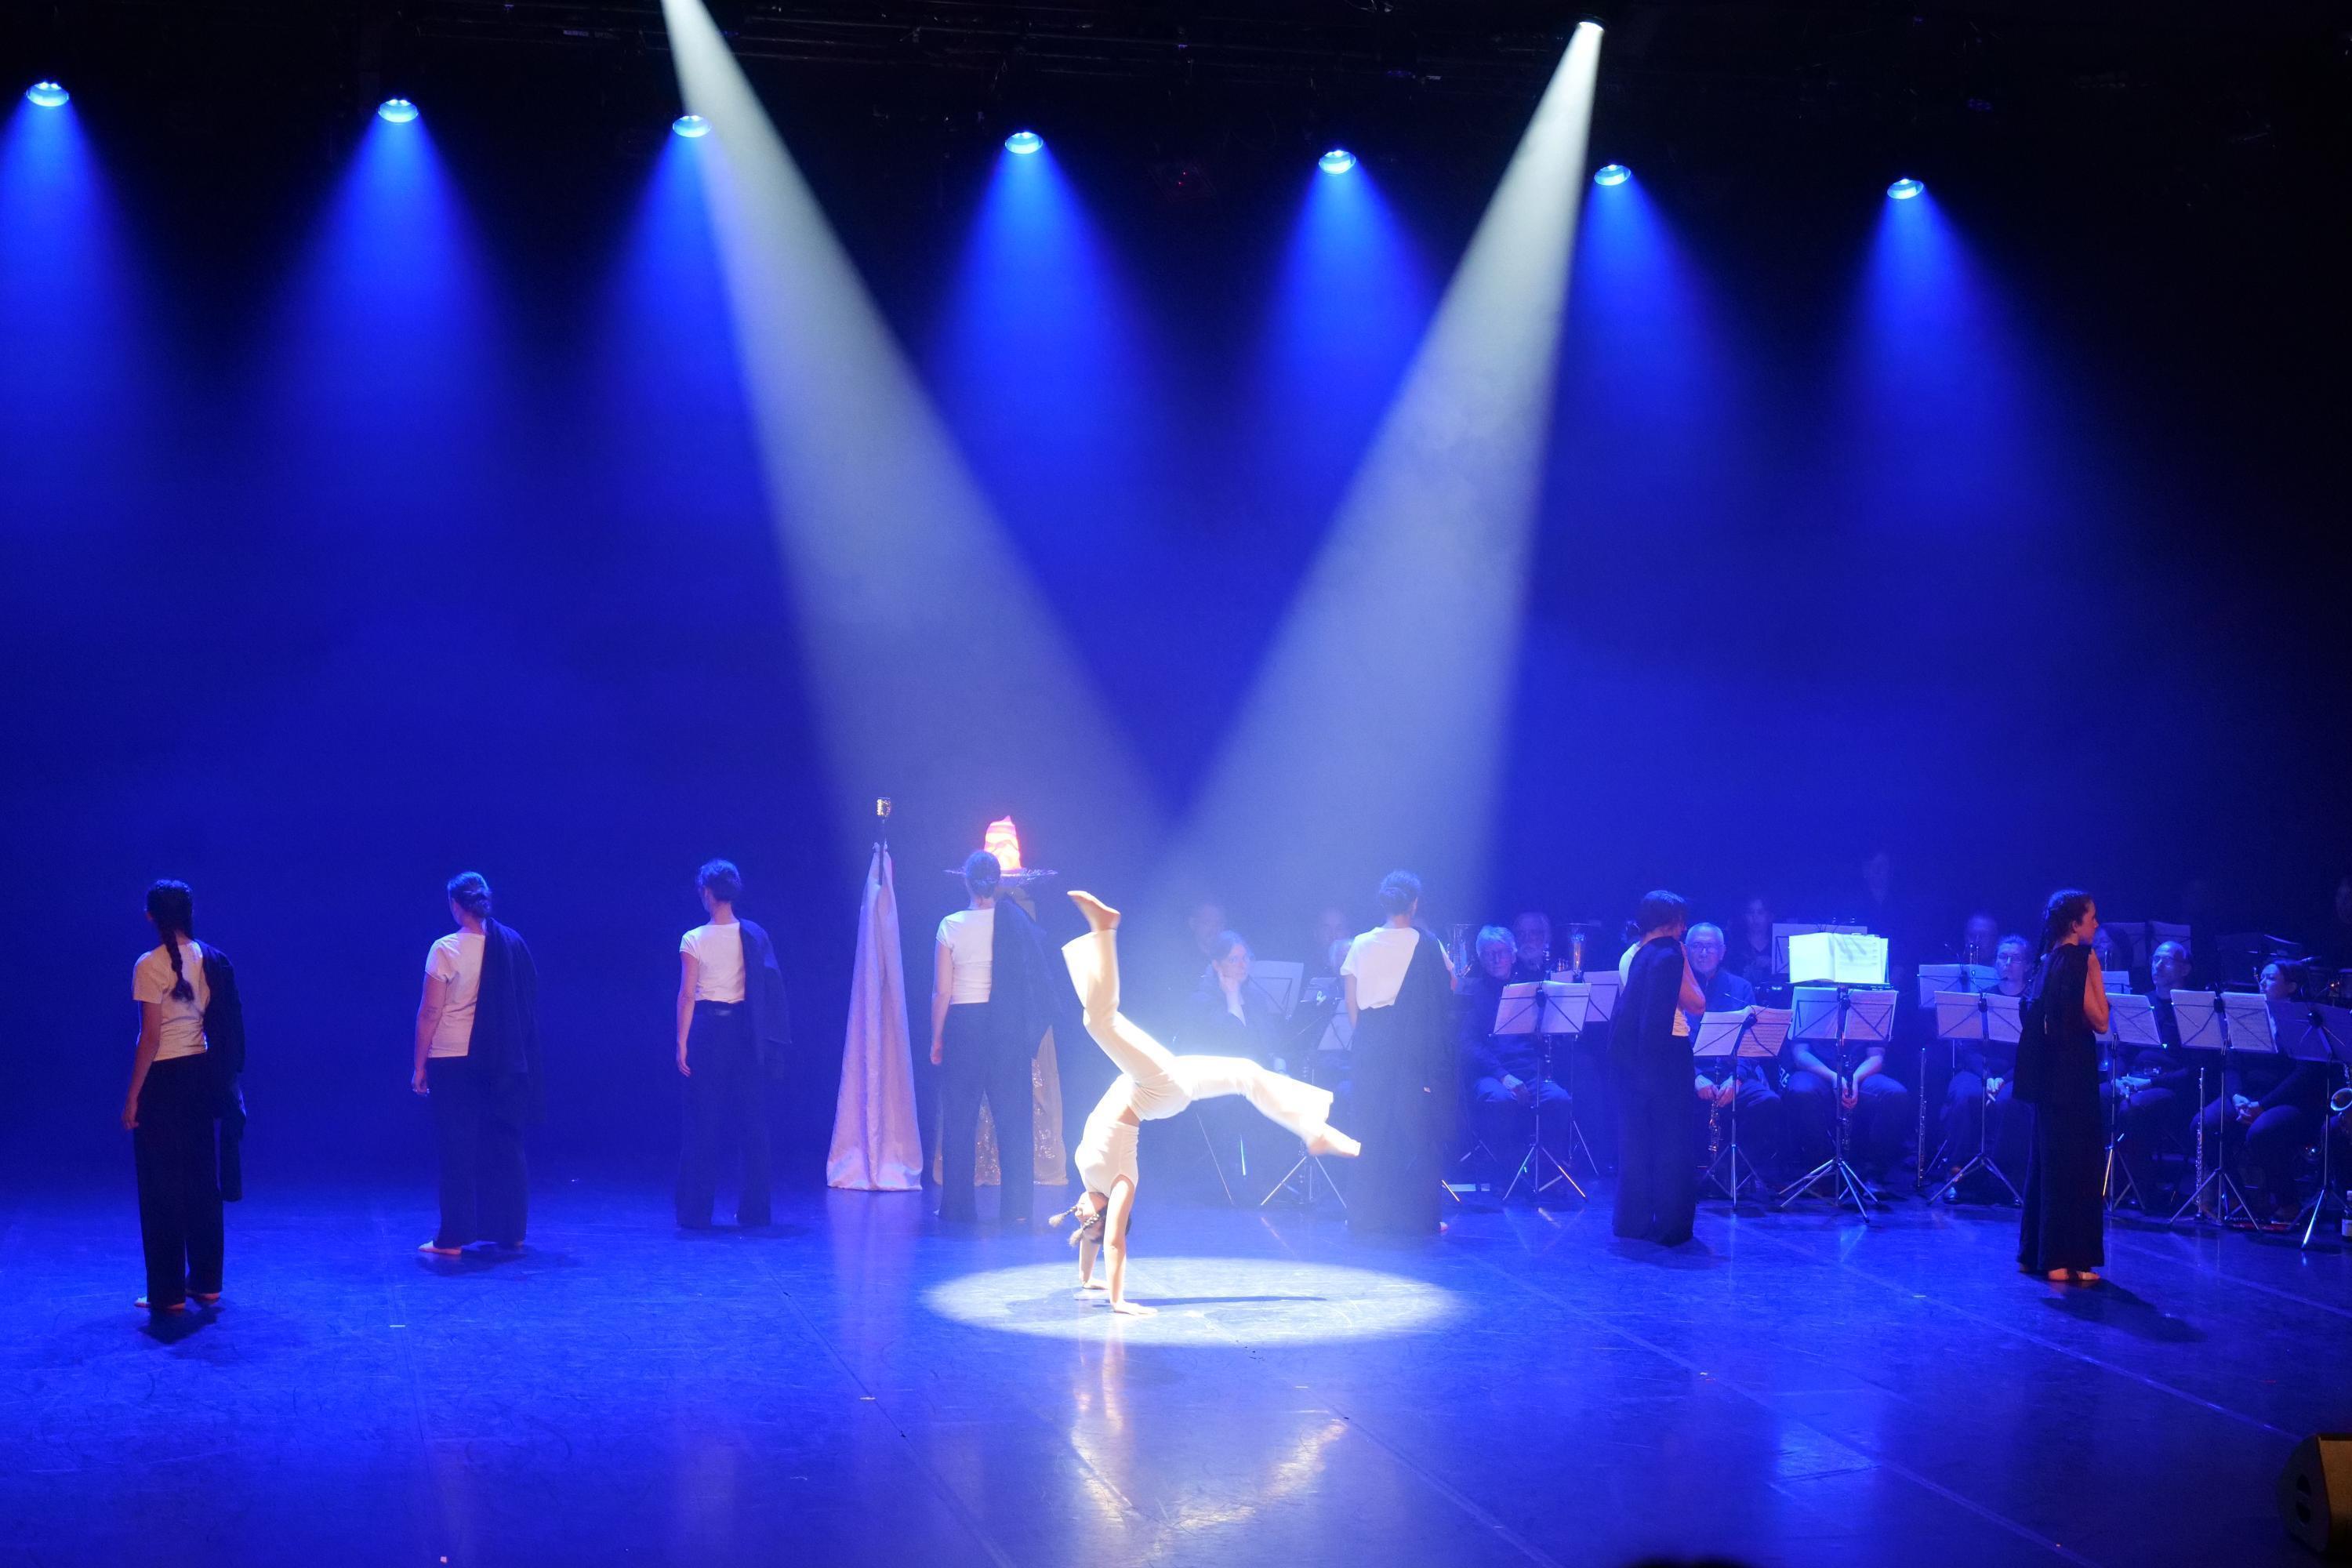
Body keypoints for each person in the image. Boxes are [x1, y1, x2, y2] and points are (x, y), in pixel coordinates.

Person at [1052, 891, 1358, 1314]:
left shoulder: (1089, 1177)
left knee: (1246, 1073)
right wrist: (1119, 1300)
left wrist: (1088, 1279)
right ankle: (1104, 929)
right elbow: (1113, 1240)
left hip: (1157, 1083)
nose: (1081, 1214)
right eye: (1089, 1219)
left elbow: (1093, 1241)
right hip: (1158, 1090)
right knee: (1099, 1021)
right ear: (1103, 1213)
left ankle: (1315, 1131)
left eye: (1081, 1220)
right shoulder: (1120, 1183)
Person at [125, 880, 242, 1315]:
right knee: (200, 1180)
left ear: (151, 916)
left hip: (163, 1082)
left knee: (160, 1186)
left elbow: (151, 1038)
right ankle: (207, 1282)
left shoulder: (149, 964)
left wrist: (133, 1096)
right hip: (200, 1078)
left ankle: (168, 1293)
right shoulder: (210, 958)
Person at [412, 873, 543, 1256]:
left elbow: (430, 1011)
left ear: (455, 905)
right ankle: (510, 1230)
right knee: (505, 1141)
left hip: (452, 1059)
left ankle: (453, 1238)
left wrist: (419, 1065)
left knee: (457, 1146)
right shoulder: (512, 943)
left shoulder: (446, 948)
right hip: (502, 1058)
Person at [931, 850, 1058, 1225]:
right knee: (1014, 1120)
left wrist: (936, 1038)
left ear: (966, 882)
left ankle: (957, 1209)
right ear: (999, 882)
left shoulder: (950, 925)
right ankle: (1017, 1212)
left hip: (964, 1026)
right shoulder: (1016, 922)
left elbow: (942, 992)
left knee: (959, 1119)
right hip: (1006, 1027)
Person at [673, 859, 792, 1230]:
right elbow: (771, 990)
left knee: (703, 1122)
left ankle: (696, 1213)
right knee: (752, 1123)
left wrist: (681, 1041)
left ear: (707, 893)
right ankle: (755, 1211)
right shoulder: (754, 935)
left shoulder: (694, 938)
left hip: (709, 1031)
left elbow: (687, 996)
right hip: (746, 1032)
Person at [1343, 870, 1459, 1234]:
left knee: (1370, 1132)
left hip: (1371, 1046)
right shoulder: (1427, 943)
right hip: (1413, 1049)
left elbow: (1351, 1003)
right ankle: (1419, 1218)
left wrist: (1367, 1041)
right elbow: (1451, 985)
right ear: (1415, 904)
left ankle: (1365, 1218)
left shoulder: (1361, 943)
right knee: (1415, 1133)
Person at [2014, 888, 2111, 1283]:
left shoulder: (2044, 962)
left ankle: (2038, 1255)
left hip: (2046, 1074)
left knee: (2046, 1162)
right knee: (2077, 1163)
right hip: (2073, 1073)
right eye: (2092, 917)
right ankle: (2067, 1260)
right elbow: (2100, 1020)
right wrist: (2096, 975)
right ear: (2075, 924)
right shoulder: (2081, 959)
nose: (2097, 924)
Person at [2194, 959, 2325, 1224]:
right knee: (2203, 1124)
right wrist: (2237, 1096)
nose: (2262, 983)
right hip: (2247, 1094)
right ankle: (2237, 1199)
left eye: (2271, 978)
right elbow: (2232, 1063)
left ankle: (2288, 1202)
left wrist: (2262, 1105)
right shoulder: (2249, 1014)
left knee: (2262, 1132)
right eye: (2261, 977)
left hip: (2288, 1099)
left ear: (2292, 986)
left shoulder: (2305, 1019)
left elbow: (2304, 1074)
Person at [1612, 891, 1708, 1244]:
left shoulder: (1631, 954)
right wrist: (1685, 960)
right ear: (1672, 922)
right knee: (1673, 1142)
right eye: (1681, 921)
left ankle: (1633, 1221)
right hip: (1669, 1053)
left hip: (1633, 1057)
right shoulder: (1670, 953)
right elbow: (1697, 1003)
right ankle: (1672, 1224)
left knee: (1636, 1142)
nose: (1684, 929)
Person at [1459, 925, 1571, 1177]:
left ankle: (1547, 1176)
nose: (1496, 958)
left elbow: (1542, 1038)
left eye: (1501, 952)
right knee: (1501, 1100)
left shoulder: (1531, 990)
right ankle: (1505, 1175)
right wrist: (1503, 1076)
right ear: (1480, 958)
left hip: (1529, 1072)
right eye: (1489, 953)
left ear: (1513, 955)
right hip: (1490, 1075)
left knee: (1559, 1099)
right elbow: (1468, 1044)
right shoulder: (1472, 993)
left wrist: (1546, 1032)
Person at [1937, 934, 2030, 1200]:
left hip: (2017, 1073)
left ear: (2026, 966)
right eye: (2003, 957)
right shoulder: (1982, 998)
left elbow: (2032, 1052)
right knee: (1963, 1096)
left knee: (2009, 1102)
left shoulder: (2033, 1003)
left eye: (2015, 959)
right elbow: (1968, 1048)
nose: (2008, 963)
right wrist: (1988, 1076)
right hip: (1979, 1070)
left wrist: (2003, 1079)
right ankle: (1957, 1174)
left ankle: (2004, 1179)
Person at [1685, 921, 1780, 1177]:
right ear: (1686, 950)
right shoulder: (1676, 988)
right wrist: (1694, 1077)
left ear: (1723, 952)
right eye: (1697, 946)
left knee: (1768, 1102)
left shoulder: (1741, 988)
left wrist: (1737, 1079)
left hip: (1732, 1075)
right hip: (1691, 1076)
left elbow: (1752, 1043)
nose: (1704, 953)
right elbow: (1669, 1046)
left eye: (1711, 947)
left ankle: (1735, 1172)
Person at [2109, 938, 2199, 1207]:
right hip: (2134, 1080)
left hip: (2171, 1087)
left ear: (2185, 969)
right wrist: (2118, 1079)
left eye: (2166, 960)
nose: (2157, 965)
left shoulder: (2194, 1007)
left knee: (2134, 1109)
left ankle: (2142, 1189)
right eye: (2155, 959)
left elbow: (2193, 1070)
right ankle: (2098, 1182)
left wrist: (2148, 1083)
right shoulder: (2142, 1002)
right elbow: (2123, 1051)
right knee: (2090, 1097)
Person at [1726, 895, 1777, 992]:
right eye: (1750, 912)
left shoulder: (1777, 945)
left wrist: (1774, 965)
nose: (1755, 917)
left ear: (1770, 916)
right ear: (1744, 916)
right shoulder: (1734, 945)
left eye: (1760, 912)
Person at [1510, 910, 1554, 983]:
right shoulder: (1508, 971)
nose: (1527, 939)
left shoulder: (1556, 969)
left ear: (1546, 936)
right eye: (1521, 933)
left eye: (1533, 933)